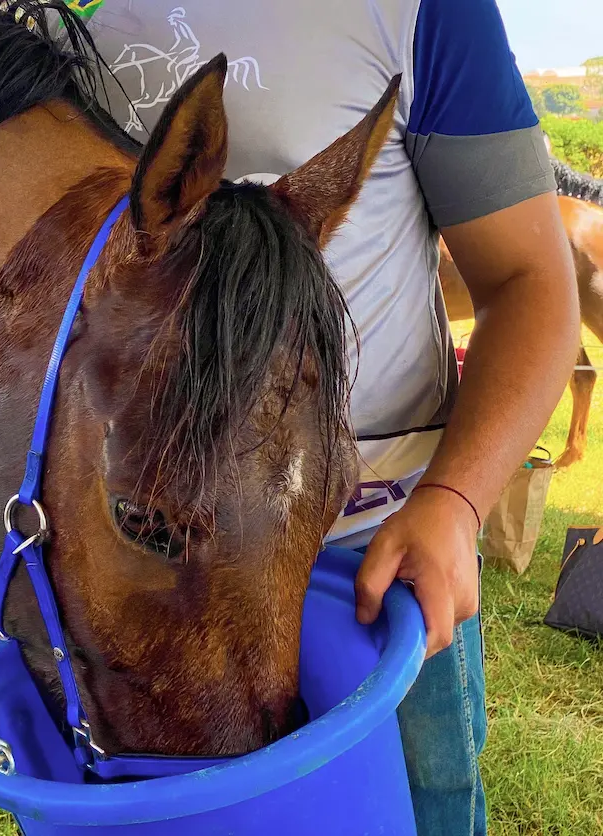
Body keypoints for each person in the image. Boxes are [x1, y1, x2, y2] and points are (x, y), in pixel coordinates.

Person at [82, 2, 579, 834]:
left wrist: (454, 504)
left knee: (420, 810)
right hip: (136, 552)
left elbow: (532, 282)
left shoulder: (421, 11)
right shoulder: (70, 17)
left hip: (373, 550)